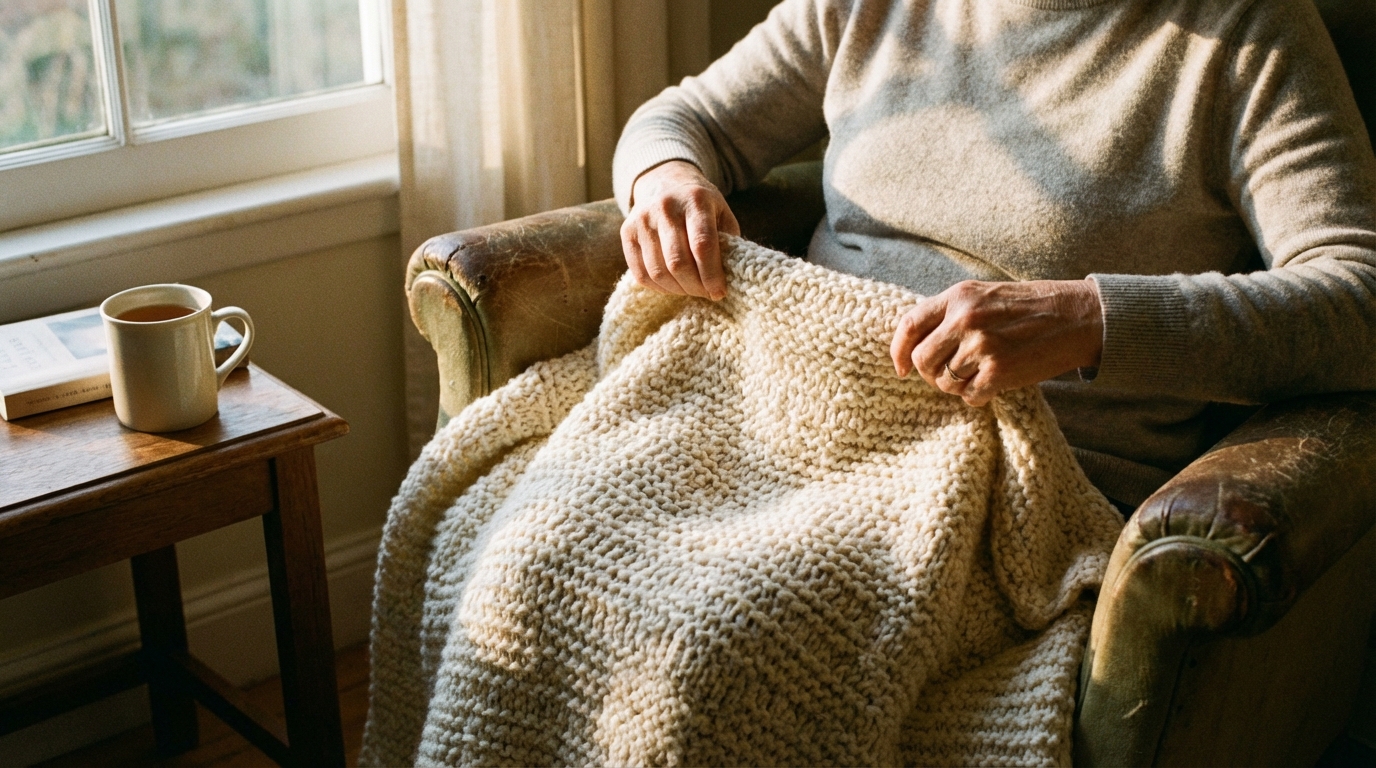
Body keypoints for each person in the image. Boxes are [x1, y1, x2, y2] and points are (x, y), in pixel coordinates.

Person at [612, 0, 1376, 511]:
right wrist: (665, 179)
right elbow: (686, 117)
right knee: (526, 566)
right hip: (780, 421)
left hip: (1016, 489)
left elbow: (1358, 298)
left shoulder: (1250, 32)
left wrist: (1090, 320)